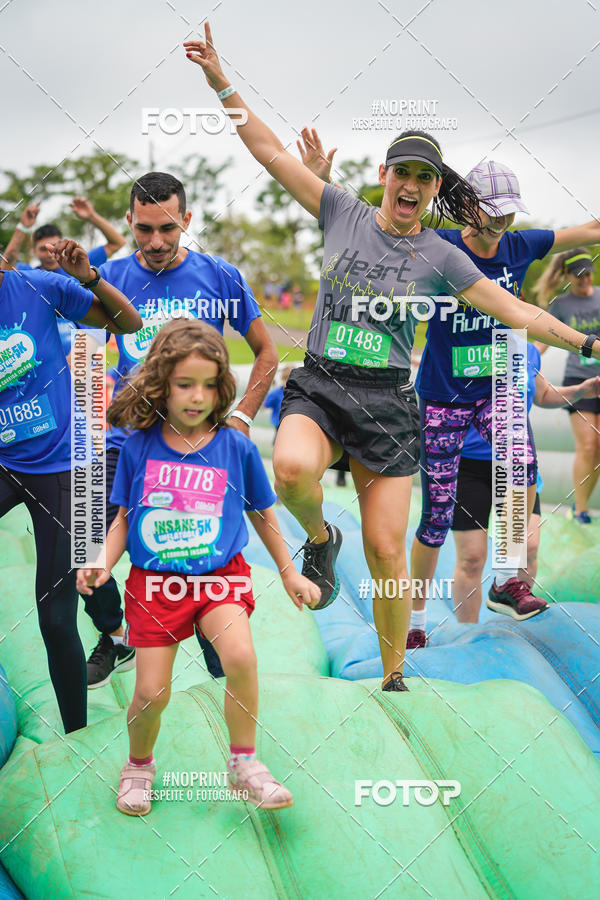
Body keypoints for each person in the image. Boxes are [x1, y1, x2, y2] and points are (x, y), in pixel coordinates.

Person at [184, 23, 600, 690]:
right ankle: (320, 539)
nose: (410, 185)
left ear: (435, 191)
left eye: (424, 178)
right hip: (321, 383)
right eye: (401, 172)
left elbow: (516, 311)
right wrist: (219, 80)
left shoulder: (442, 255)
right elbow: (264, 149)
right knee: (290, 467)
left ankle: (393, 675)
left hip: (388, 401)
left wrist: (585, 342)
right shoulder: (339, 210)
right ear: (383, 176)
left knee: (387, 554)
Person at [297, 131, 600, 643]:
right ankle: (414, 622)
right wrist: (323, 182)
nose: (502, 224)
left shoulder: (523, 244)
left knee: (519, 468)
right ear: (468, 209)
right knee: (435, 515)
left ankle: (506, 579)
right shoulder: (440, 247)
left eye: (509, 214)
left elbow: (586, 232)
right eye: (492, 212)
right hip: (441, 395)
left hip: (498, 383)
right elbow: (363, 232)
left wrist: (586, 343)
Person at [77, 320, 320, 814]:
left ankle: (245, 763)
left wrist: (291, 571)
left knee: (240, 658)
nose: (197, 397)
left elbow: (263, 513)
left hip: (219, 579)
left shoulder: (235, 447)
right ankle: (138, 765)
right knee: (150, 692)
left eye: (209, 385)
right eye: (185, 384)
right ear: (161, 384)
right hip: (156, 584)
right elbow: (125, 517)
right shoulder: (140, 446)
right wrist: (102, 560)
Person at [80, 171, 278, 690]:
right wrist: (89, 424)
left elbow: (267, 353)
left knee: (204, 551)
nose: (156, 242)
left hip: (200, 447)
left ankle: (218, 644)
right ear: (129, 221)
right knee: (84, 539)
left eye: (168, 229)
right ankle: (113, 634)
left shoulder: (220, 276)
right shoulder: (109, 277)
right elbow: (81, 356)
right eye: (144, 229)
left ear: (186, 220)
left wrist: (238, 418)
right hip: (127, 444)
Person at [0, 240, 141, 733]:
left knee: (58, 614)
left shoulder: (42, 288)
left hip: (69, 463)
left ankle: (76, 736)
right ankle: (116, 633)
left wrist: (90, 278)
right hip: (6, 461)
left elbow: (130, 325)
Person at [451, 342, 600, 622]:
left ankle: (514, 622)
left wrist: (582, 390)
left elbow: (542, 393)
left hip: (517, 464)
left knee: (528, 550)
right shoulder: (464, 342)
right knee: (471, 559)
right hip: (470, 465)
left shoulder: (525, 349)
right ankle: (466, 633)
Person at [1, 199, 127, 357]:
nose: (49, 253)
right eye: (42, 248)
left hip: (83, 355)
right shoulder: (29, 276)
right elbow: (4, 270)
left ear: (61, 244)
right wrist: (23, 227)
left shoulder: (78, 266)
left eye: (53, 246)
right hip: (44, 355)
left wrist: (91, 215)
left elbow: (117, 243)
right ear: (34, 252)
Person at [535, 250, 600, 523]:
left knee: (598, 447)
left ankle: (580, 506)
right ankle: (581, 510)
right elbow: (544, 339)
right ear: (567, 276)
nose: (585, 279)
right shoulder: (561, 305)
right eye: (579, 275)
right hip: (579, 380)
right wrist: (525, 360)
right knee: (588, 444)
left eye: (588, 273)